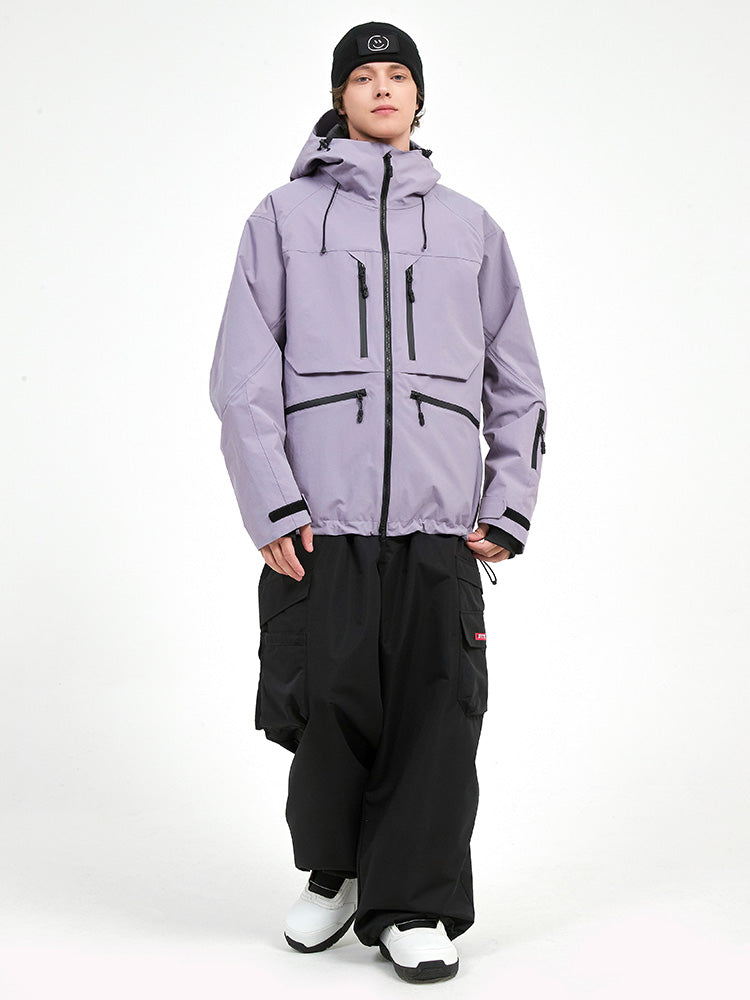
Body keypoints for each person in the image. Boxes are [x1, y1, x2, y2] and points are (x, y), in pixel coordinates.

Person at [208, 21, 547, 984]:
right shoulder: (281, 217)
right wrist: (273, 504)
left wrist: (509, 500)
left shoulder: (471, 228)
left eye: (399, 74)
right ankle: (339, 871)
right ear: (341, 98)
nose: (384, 88)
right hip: (324, 520)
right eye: (366, 77)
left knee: (438, 712)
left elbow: (519, 381)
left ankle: (414, 905)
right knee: (324, 707)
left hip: (440, 524)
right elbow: (242, 374)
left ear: (418, 97)